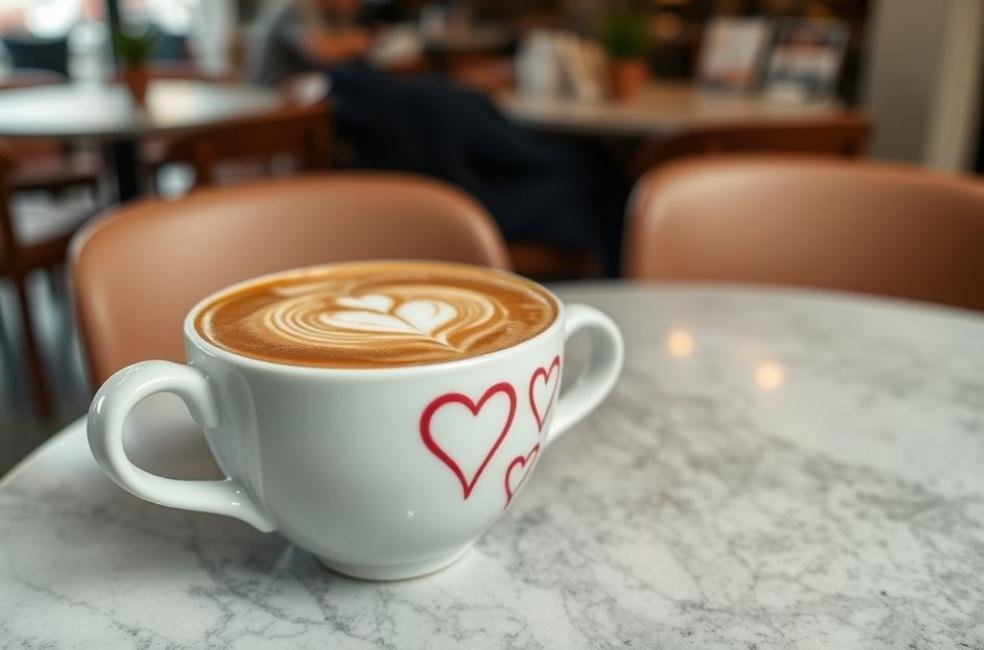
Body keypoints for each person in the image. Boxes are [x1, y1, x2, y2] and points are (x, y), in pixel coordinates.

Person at [249, 0, 626, 275]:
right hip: (268, 140)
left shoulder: (373, 93)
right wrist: (367, 41)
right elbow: (324, 50)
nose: (352, 7)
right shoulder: (297, 15)